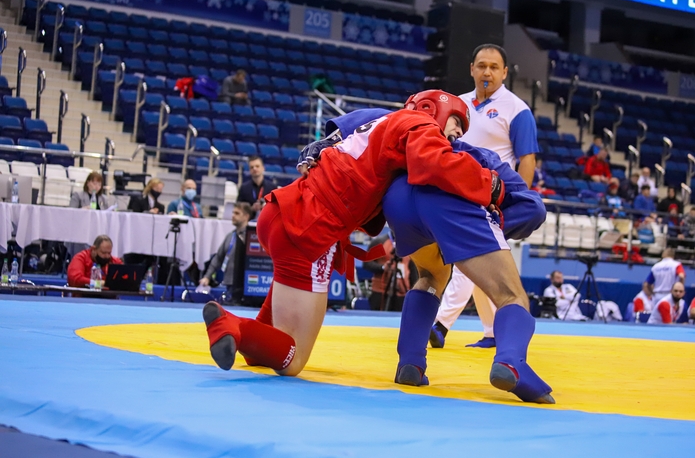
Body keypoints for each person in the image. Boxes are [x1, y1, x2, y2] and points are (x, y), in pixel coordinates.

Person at [200, 90, 505, 384]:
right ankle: (231, 323)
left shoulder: (379, 123)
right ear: (433, 109)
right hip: (310, 231)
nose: (456, 137)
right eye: (455, 125)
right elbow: (438, 163)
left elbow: (337, 139)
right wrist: (489, 185)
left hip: (281, 209)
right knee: (293, 360)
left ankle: (248, 338)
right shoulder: (419, 125)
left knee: (266, 346)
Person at [381, 147, 553, 403]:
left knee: (431, 276)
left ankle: (411, 362)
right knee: (511, 295)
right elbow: (533, 208)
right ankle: (511, 363)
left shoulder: (404, 141)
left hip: (398, 200)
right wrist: (492, 226)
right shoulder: (479, 154)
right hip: (451, 202)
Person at [430, 43, 540, 350]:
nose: (487, 72)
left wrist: (519, 200)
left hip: (494, 194)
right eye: (481, 66)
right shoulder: (458, 104)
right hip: (457, 192)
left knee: (471, 255)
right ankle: (492, 332)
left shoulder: (517, 109)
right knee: (483, 262)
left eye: (493, 67)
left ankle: (440, 324)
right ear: (472, 69)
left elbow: (527, 158)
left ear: (504, 72)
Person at [199, 202, 251, 298]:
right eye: (233, 213)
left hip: (246, 285)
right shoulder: (230, 236)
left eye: (237, 213)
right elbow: (218, 258)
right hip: (229, 283)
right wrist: (207, 277)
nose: (233, 216)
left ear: (246, 216)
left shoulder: (252, 237)